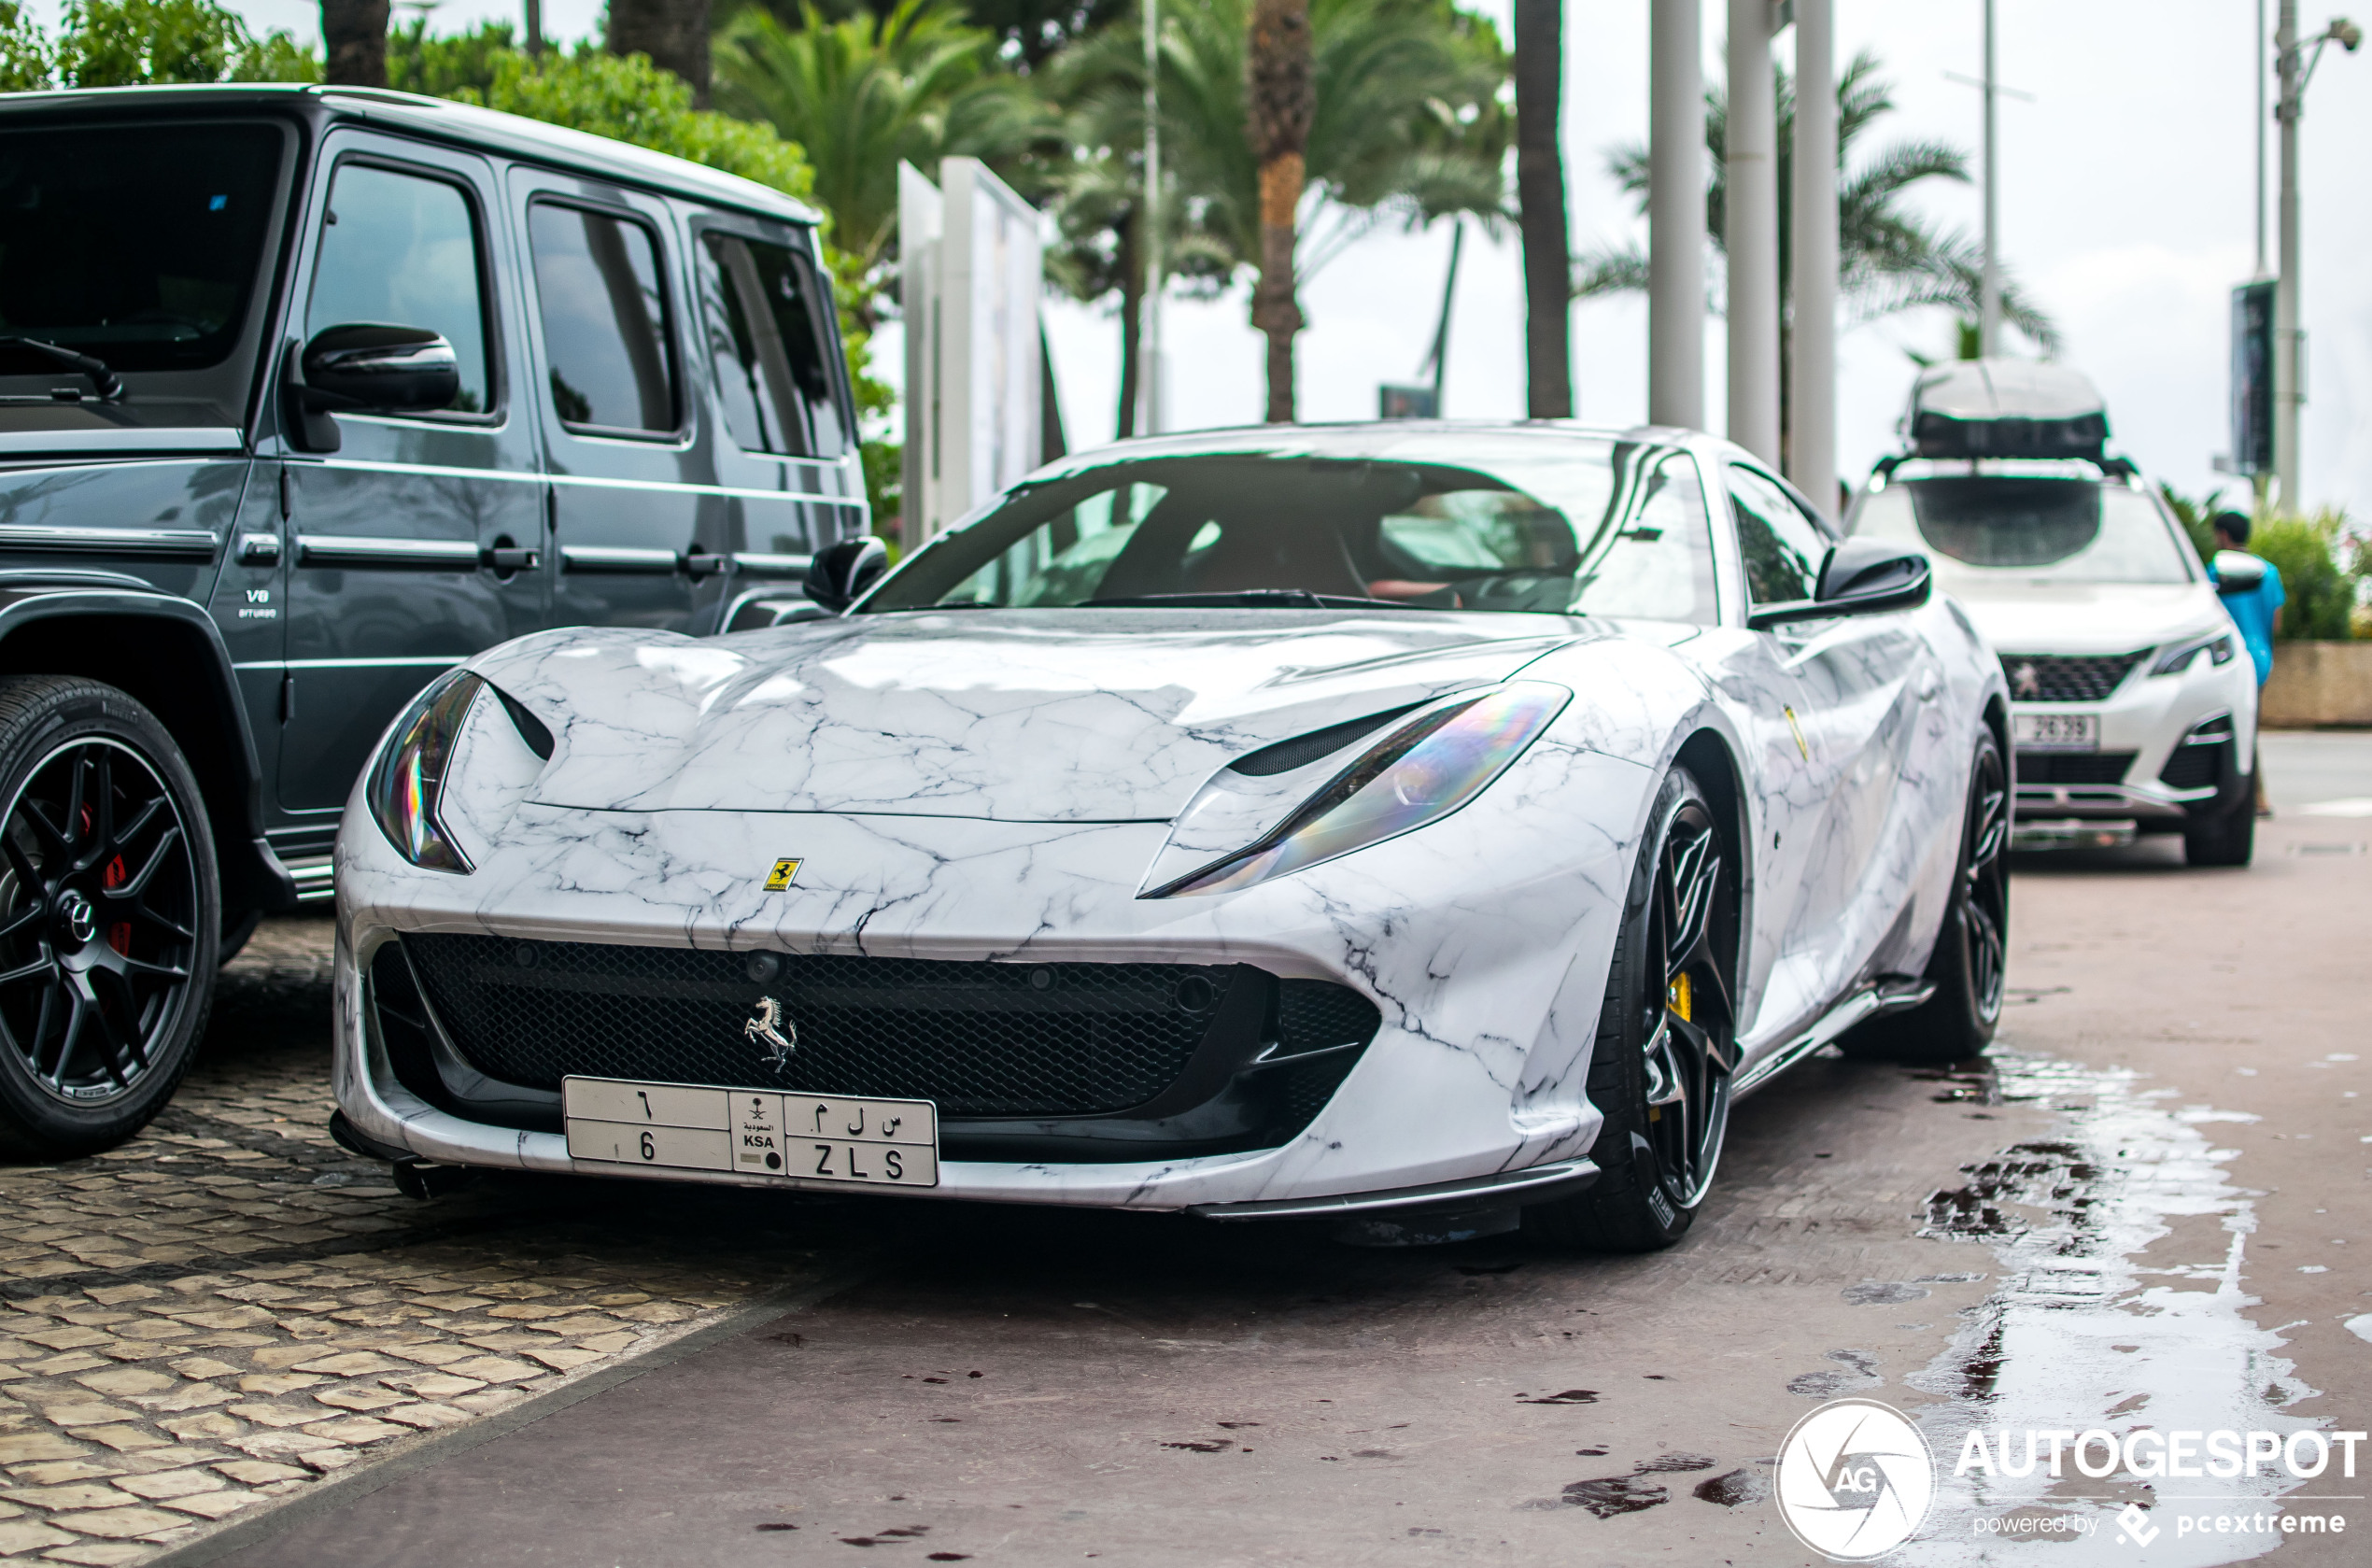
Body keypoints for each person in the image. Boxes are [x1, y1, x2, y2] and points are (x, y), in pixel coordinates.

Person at [2207, 509, 2281, 814]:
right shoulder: (2269, 572)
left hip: (2231, 661)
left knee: (2237, 730)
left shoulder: (2215, 572)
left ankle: (2255, 799)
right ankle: (2257, 798)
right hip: (2261, 658)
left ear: (2223, 536)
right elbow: (2276, 622)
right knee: (2250, 728)